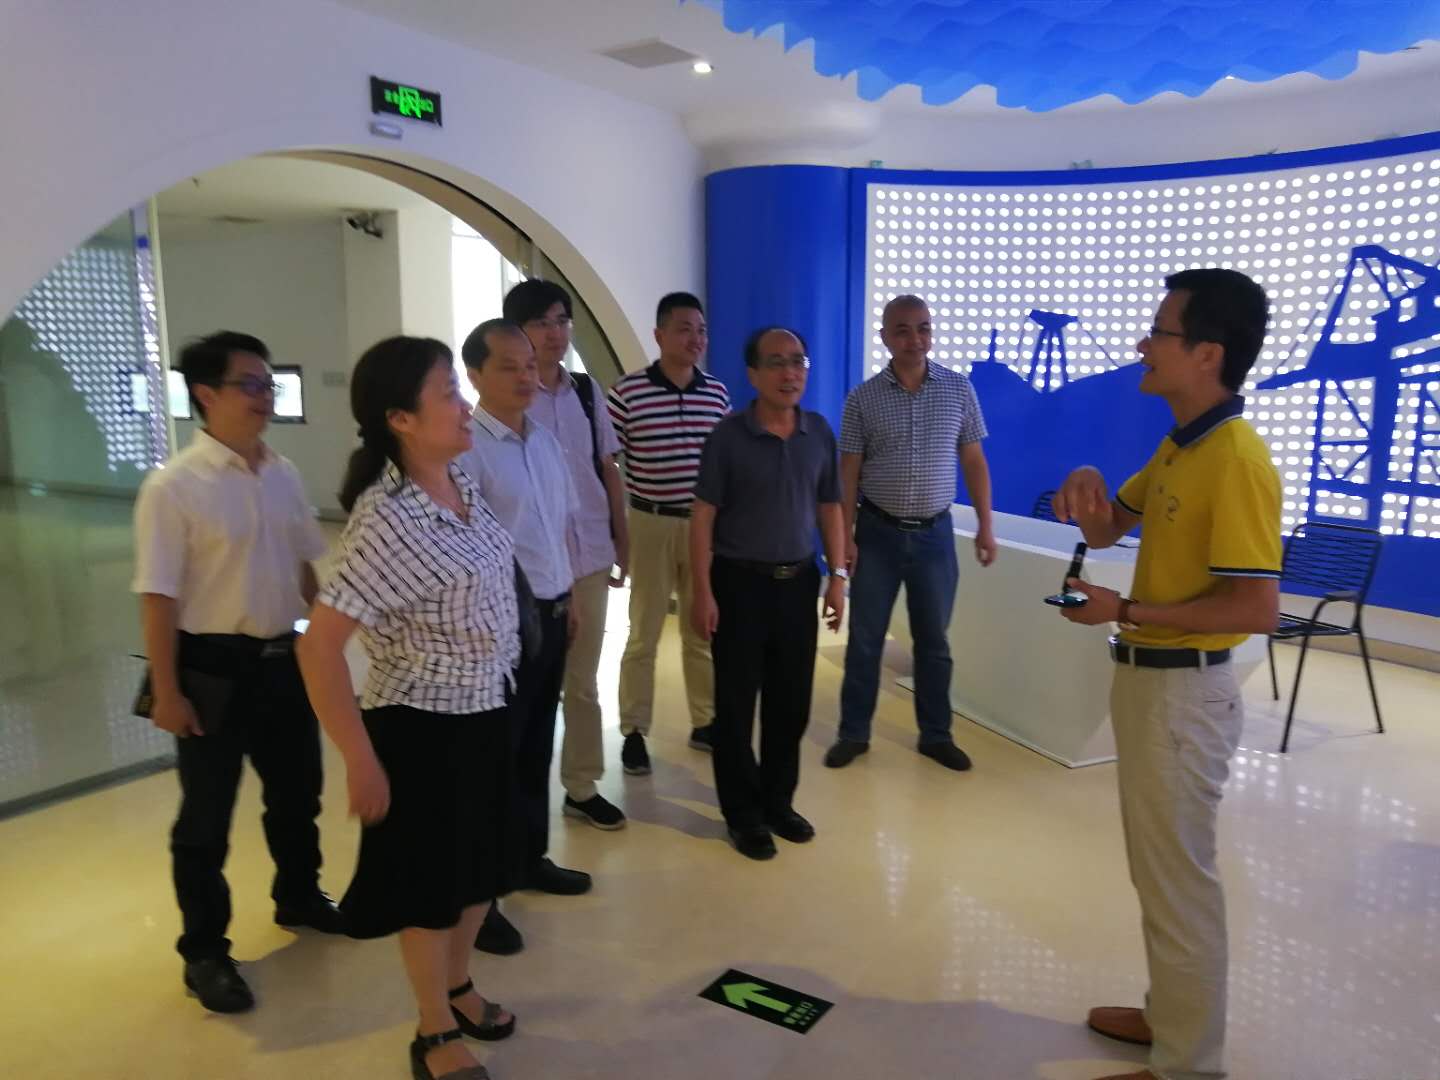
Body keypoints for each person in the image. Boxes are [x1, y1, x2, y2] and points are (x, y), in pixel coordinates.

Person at [1052, 269, 1280, 1080]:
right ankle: (1169, 1017)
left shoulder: (1237, 459)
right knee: (1159, 871)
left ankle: (1189, 1066)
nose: (1143, 345)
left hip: (1185, 695)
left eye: (1159, 333)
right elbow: (1109, 526)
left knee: (1180, 881)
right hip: (1152, 686)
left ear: (1207, 353)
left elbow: (1256, 606)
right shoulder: (1182, 444)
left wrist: (1125, 609)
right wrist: (1087, 486)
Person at [297, 336, 520, 1080]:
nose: (464, 404)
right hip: (423, 731)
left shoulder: (460, 484)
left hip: (486, 710)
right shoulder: (385, 520)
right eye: (448, 393)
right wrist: (360, 760)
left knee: (477, 877)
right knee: (431, 891)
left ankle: (457, 988)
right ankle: (433, 1031)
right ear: (400, 419)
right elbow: (319, 648)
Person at [132, 330, 343, 1015]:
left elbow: (306, 568)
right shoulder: (173, 487)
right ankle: (204, 952)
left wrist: (327, 645)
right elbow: (158, 597)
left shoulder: (283, 473)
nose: (264, 396)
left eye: (267, 384)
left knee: (298, 795)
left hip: (283, 662)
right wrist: (167, 691)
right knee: (205, 820)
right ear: (205, 394)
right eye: (249, 384)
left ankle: (300, 895)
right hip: (210, 671)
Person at [459, 318, 591, 958]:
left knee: (537, 744)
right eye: (508, 366)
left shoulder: (544, 441)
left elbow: (559, 526)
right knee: (495, 760)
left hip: (553, 608)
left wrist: (570, 598)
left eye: (529, 365)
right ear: (475, 375)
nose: (525, 376)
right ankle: (480, 899)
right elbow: (465, 548)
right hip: (502, 622)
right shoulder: (467, 451)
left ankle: (528, 859)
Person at [689, 327, 847, 860]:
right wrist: (702, 591)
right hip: (739, 584)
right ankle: (743, 815)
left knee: (791, 703)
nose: (789, 373)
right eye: (776, 363)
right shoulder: (728, 437)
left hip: (797, 583)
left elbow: (830, 507)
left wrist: (838, 576)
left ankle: (778, 802)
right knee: (735, 708)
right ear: (753, 374)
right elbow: (703, 516)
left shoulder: (818, 432)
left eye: (798, 361)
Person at [826, 294, 996, 773]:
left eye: (923, 328)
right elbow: (848, 473)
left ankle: (936, 736)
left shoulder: (958, 389)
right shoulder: (862, 399)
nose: (914, 339)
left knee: (934, 643)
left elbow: (974, 461)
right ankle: (853, 733)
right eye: (902, 330)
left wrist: (986, 525)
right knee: (865, 640)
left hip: (934, 537)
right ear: (885, 337)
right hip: (876, 534)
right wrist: (846, 537)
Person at [503, 279, 629, 832]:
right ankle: (517, 797)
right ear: (518, 332)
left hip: (590, 554)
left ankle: (581, 786)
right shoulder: (510, 399)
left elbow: (608, 467)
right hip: (531, 570)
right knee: (530, 687)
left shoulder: (586, 391)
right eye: (541, 323)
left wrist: (622, 536)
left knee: (582, 681)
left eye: (561, 320)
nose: (555, 333)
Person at [606, 292, 730, 775]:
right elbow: (606, 464)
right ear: (659, 335)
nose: (695, 338)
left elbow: (725, 466)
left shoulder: (716, 394)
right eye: (684, 329)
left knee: (702, 628)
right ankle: (634, 731)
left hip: (703, 526)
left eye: (701, 330)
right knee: (644, 633)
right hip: (650, 522)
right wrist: (615, 533)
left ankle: (706, 721)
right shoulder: (627, 393)